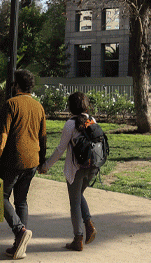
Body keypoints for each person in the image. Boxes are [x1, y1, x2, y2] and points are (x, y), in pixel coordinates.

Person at [0, 69, 46, 260]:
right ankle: (20, 245)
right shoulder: (38, 106)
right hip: (32, 161)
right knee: (21, 200)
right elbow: (43, 137)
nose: (12, 86)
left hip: (13, 160)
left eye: (13, 83)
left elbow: (3, 135)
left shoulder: (11, 104)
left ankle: (20, 231)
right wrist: (42, 159)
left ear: (17, 85)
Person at [40, 92, 99, 252]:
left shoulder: (70, 124)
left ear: (71, 106)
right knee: (78, 195)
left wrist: (46, 166)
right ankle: (88, 225)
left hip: (76, 168)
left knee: (75, 202)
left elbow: (60, 149)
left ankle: (78, 238)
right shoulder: (92, 120)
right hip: (92, 167)